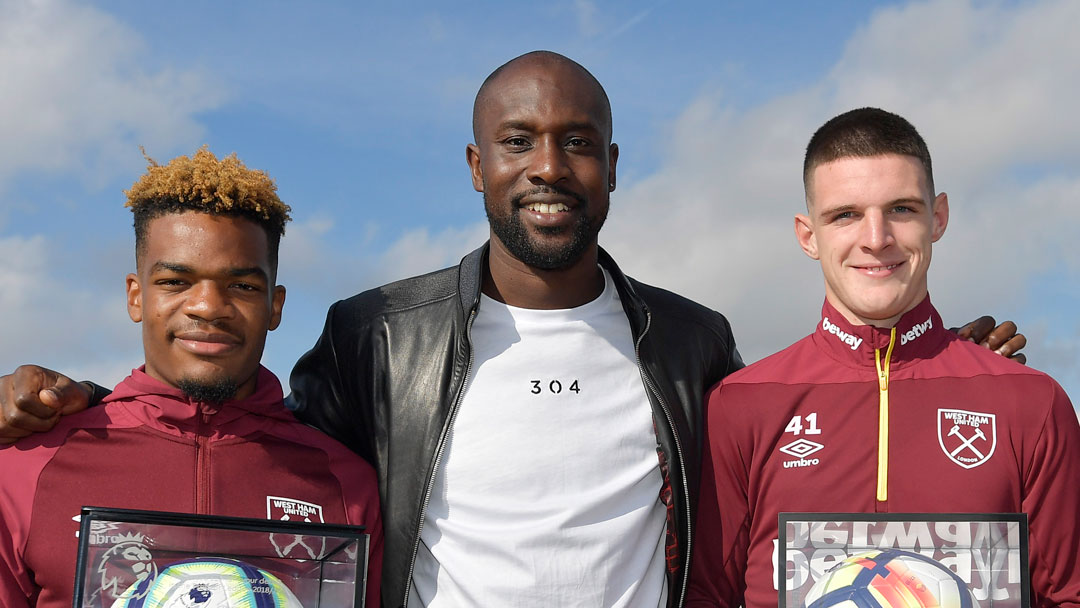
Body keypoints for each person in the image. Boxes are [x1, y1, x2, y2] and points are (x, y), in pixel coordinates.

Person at [0, 55, 1026, 608]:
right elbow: (223, 430)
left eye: (577, 143)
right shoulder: (374, 335)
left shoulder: (691, 338)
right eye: (518, 141)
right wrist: (70, 404)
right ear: (475, 165)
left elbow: (790, 467)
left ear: (613, 167)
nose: (548, 166)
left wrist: (932, 360)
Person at [686, 108, 1080, 607]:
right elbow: (705, 596)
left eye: (901, 209)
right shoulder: (739, 406)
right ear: (808, 235)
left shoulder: (1031, 402)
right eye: (845, 214)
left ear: (938, 218)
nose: (876, 238)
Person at [0, 148, 383, 607]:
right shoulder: (26, 468)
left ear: (274, 306)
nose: (207, 307)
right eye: (175, 282)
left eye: (242, 286)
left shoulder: (348, 483)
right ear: (136, 296)